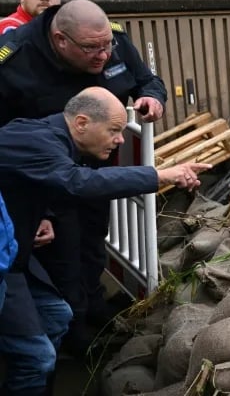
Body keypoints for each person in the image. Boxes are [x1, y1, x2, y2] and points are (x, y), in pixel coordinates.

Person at [0, 87, 209, 396]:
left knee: (56, 316)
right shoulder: (36, 140)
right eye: (114, 130)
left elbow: (27, 180)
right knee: (38, 356)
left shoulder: (46, 138)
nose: (121, 140)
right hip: (8, 261)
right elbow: (77, 183)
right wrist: (160, 175)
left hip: (14, 254)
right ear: (82, 123)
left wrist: (40, 214)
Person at [0, 0, 167, 355]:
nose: (104, 55)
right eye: (92, 48)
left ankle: (94, 312)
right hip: (41, 183)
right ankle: (71, 342)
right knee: (61, 258)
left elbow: (148, 80)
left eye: (107, 45)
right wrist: (34, 210)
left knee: (93, 243)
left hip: (95, 173)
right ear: (61, 41)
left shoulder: (114, 42)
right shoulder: (15, 60)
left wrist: (152, 97)